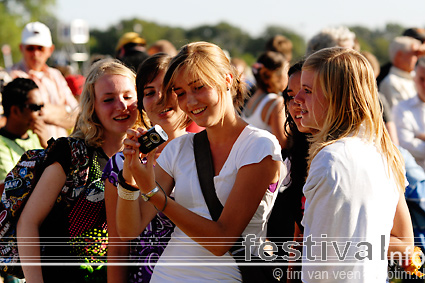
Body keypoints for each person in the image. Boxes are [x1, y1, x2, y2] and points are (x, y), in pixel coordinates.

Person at [116, 41, 285, 282]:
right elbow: (129, 230)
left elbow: (221, 241)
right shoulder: (179, 148)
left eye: (198, 87)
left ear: (227, 79)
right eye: (181, 93)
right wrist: (130, 174)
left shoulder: (259, 146)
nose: (191, 102)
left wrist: (153, 191)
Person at [294, 47, 414, 282]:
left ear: (336, 98)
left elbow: (319, 266)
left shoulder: (330, 158)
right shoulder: (383, 152)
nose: (297, 99)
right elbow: (405, 243)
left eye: (307, 91)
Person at [16, 58, 139, 283]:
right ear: (92, 108)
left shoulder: (147, 155)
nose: (121, 106)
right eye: (108, 99)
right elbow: (28, 222)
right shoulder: (72, 153)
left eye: (128, 96)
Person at [103, 53, 188, 282]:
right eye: (149, 92)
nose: (160, 99)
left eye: (169, 88)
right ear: (141, 104)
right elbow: (119, 248)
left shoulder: (208, 153)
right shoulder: (120, 164)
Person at [267, 61, 308, 283]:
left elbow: (405, 242)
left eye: (307, 92)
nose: (297, 102)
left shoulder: (360, 154)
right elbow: (296, 233)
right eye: (291, 95)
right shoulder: (295, 157)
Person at [9, 21, 79, 140]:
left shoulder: (56, 76)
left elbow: (78, 117)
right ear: (22, 48)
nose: (35, 53)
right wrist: (62, 111)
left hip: (60, 154)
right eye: (30, 48)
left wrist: (44, 113)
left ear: (50, 50)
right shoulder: (9, 76)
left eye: (40, 48)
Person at [0, 78, 49, 181]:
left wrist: (48, 147)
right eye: (36, 107)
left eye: (42, 106)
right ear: (16, 111)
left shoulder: (38, 137)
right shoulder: (1, 145)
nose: (42, 113)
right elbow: (8, 187)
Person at [242, 51, 289, 148]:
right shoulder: (276, 102)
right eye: (287, 72)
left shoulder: (252, 98)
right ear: (277, 75)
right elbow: (282, 143)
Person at [393, 57, 425, 170]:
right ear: (414, 78)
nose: (424, 85)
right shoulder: (401, 108)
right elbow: (405, 144)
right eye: (422, 79)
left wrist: (420, 137)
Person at [379, 36, 422, 109]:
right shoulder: (390, 82)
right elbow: (400, 115)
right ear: (399, 56)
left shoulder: (416, 77)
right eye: (413, 54)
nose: (416, 58)